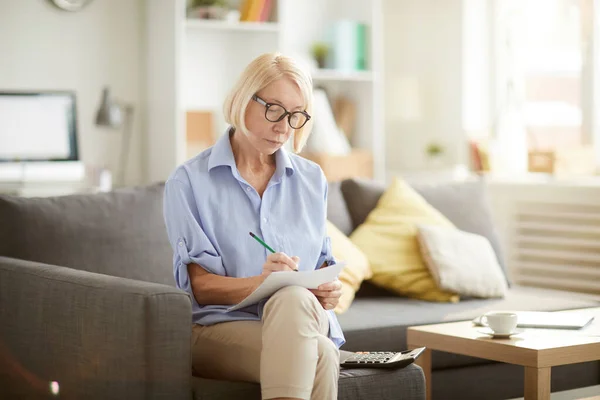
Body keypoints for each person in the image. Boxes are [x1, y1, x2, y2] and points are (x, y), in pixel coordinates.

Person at [163, 52, 344, 400]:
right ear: (243, 99)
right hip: (220, 329)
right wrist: (264, 284)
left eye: (295, 116)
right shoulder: (188, 182)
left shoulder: (312, 179)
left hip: (302, 317)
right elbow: (200, 287)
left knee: (293, 299)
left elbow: (321, 263)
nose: (283, 127)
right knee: (321, 353)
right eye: (273, 109)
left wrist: (327, 288)